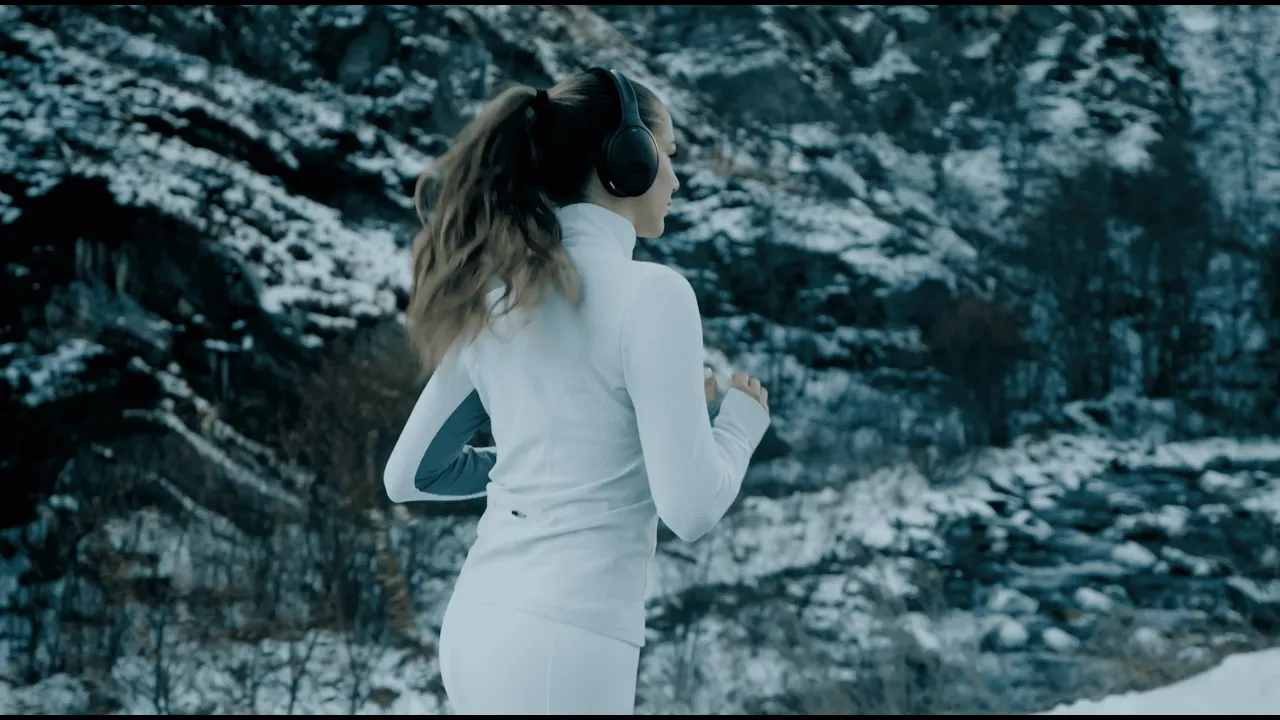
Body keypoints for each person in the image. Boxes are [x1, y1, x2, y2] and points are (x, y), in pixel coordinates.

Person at [382, 67, 772, 715]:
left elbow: (411, 474)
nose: (675, 182)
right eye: (668, 156)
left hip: (476, 624)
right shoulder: (655, 294)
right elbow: (692, 508)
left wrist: (560, 456)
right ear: (627, 161)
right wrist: (739, 424)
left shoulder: (499, 296)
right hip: (567, 639)